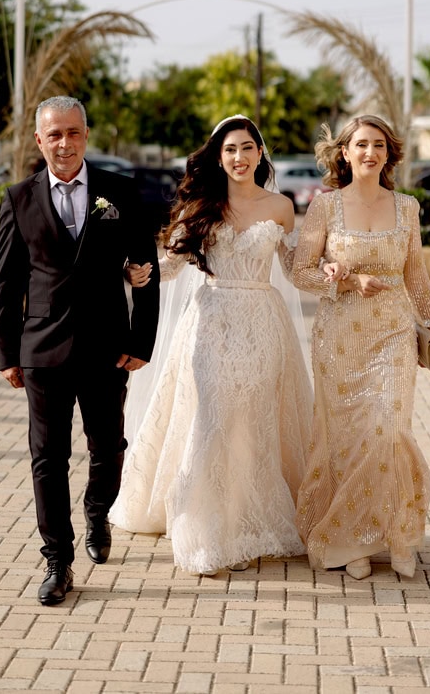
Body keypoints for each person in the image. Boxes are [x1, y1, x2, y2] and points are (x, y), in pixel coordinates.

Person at [109, 115, 320, 576]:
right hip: (211, 323)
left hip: (263, 325)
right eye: (230, 150)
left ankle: (244, 523)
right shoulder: (202, 205)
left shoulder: (281, 207)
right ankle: (208, 529)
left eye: (247, 148)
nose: (239, 158)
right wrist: (137, 271)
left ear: (260, 153)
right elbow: (171, 265)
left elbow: (295, 271)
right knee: (214, 414)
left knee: (251, 419)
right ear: (218, 157)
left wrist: (337, 278)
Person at [0, 95, 160, 606]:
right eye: (54, 135)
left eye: (73, 133)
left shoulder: (120, 192)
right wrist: (7, 353)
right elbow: (7, 285)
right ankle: (57, 561)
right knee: (47, 457)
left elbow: (145, 272)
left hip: (107, 348)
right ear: (39, 140)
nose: (64, 144)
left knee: (109, 448)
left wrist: (141, 341)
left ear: (86, 137)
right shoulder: (18, 198)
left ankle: (97, 510)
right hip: (42, 349)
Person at [293, 115, 430, 580]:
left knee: (390, 429)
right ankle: (348, 540)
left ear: (389, 152)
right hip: (340, 335)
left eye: (378, 144)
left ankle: (399, 536)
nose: (370, 152)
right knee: (346, 438)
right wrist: (346, 281)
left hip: (394, 331)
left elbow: (415, 271)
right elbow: (301, 271)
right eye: (361, 144)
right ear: (345, 152)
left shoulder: (407, 207)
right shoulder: (325, 207)